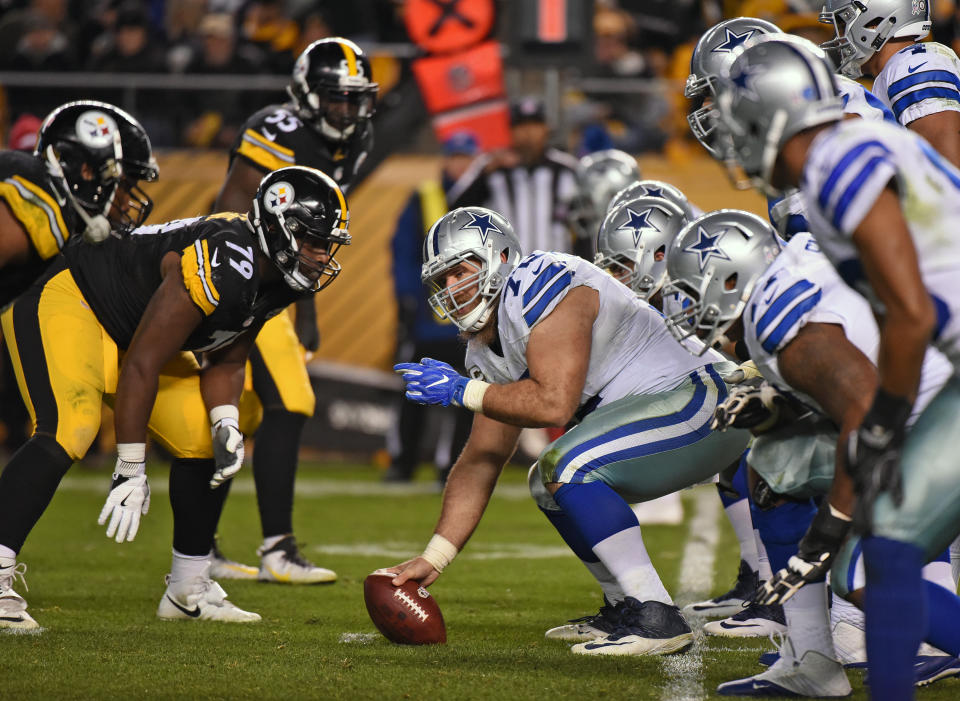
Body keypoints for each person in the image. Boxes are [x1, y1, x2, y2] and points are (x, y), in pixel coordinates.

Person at [383, 205, 749, 656]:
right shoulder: (484, 351)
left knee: (568, 464)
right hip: (673, 418)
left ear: (498, 259)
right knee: (546, 483)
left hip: (707, 402)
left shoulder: (541, 282)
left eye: (459, 272)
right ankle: (625, 607)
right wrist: (435, 556)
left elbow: (555, 401)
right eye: (442, 281)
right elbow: (482, 458)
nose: (451, 289)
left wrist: (464, 393)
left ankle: (655, 614)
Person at [712, 35, 960, 699]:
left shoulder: (838, 160)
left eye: (742, 127)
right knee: (880, 558)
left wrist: (880, 422)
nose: (736, 146)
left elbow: (910, 315)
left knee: (874, 560)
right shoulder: (834, 168)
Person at [0, 163, 350, 629]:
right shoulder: (226, 261)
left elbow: (226, 355)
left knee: (201, 438)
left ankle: (188, 588)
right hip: (74, 299)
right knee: (71, 426)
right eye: (310, 240)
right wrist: (130, 466)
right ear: (276, 226)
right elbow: (143, 363)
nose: (318, 255)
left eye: (325, 244)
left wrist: (226, 421)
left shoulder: (277, 277)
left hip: (137, 332)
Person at [665, 206, 957, 695]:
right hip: (914, 403)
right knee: (774, 465)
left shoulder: (782, 321)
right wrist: (783, 408)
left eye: (695, 293)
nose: (689, 309)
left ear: (733, 279)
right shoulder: (792, 263)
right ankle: (813, 661)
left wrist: (832, 522)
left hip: (938, 415)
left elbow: (865, 415)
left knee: (861, 571)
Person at [210, 36, 377, 583]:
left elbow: (312, 239)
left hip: (279, 288)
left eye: (355, 99)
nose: (347, 111)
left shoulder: (355, 140)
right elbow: (233, 214)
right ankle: (276, 549)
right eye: (336, 98)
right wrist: (240, 296)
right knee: (289, 400)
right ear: (307, 94)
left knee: (249, 411)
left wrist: (306, 308)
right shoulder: (276, 131)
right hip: (240, 279)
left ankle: (201, 549)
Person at [384, 132, 480, 484]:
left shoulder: (485, 199)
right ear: (446, 159)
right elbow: (403, 250)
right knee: (414, 391)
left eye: (466, 158)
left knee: (466, 397)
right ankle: (402, 461)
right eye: (455, 156)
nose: (460, 164)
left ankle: (451, 465)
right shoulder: (425, 197)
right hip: (429, 317)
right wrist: (408, 299)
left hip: (471, 319)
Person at [819, 0, 960, 168]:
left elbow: (947, 170)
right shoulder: (894, 71)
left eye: (842, 27)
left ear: (874, 23)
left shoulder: (913, 65)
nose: (838, 39)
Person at [452, 98, 581, 257]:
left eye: (534, 125)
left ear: (546, 128)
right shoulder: (491, 167)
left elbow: (586, 222)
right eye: (521, 126)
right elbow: (455, 209)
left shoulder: (566, 168)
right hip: (507, 271)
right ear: (510, 131)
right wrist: (485, 172)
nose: (528, 132)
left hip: (558, 269)